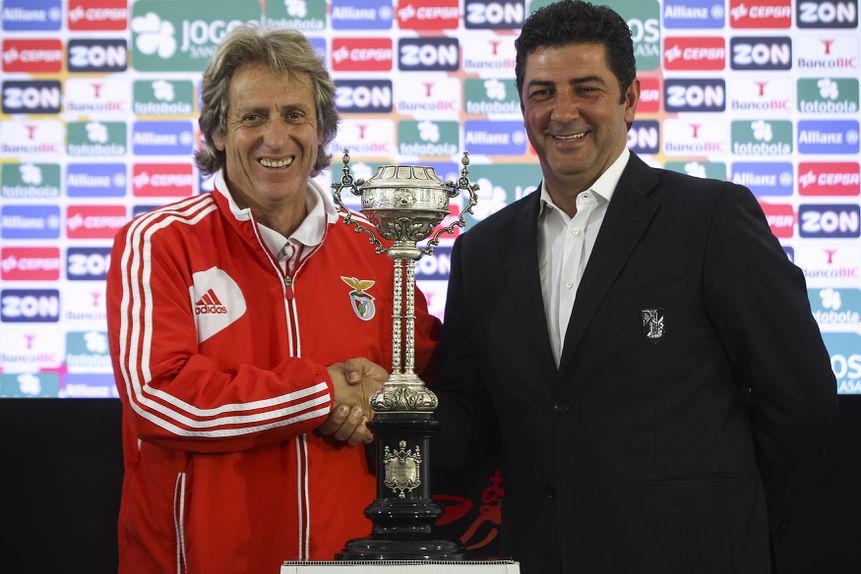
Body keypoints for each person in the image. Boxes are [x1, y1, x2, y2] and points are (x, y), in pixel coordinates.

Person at [432, 2, 837, 573]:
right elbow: (475, 420)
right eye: (542, 91)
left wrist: (733, 517)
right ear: (521, 103)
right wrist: (379, 403)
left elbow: (800, 395)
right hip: (544, 556)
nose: (562, 112)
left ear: (630, 99)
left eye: (586, 88)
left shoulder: (712, 218)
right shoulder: (482, 251)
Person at [106, 26, 439, 573]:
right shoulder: (160, 241)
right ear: (215, 132)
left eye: (294, 115)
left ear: (321, 129)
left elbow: (421, 376)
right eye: (252, 117)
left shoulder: (376, 247)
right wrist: (321, 392)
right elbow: (160, 400)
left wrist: (373, 398)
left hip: (351, 558)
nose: (276, 138)